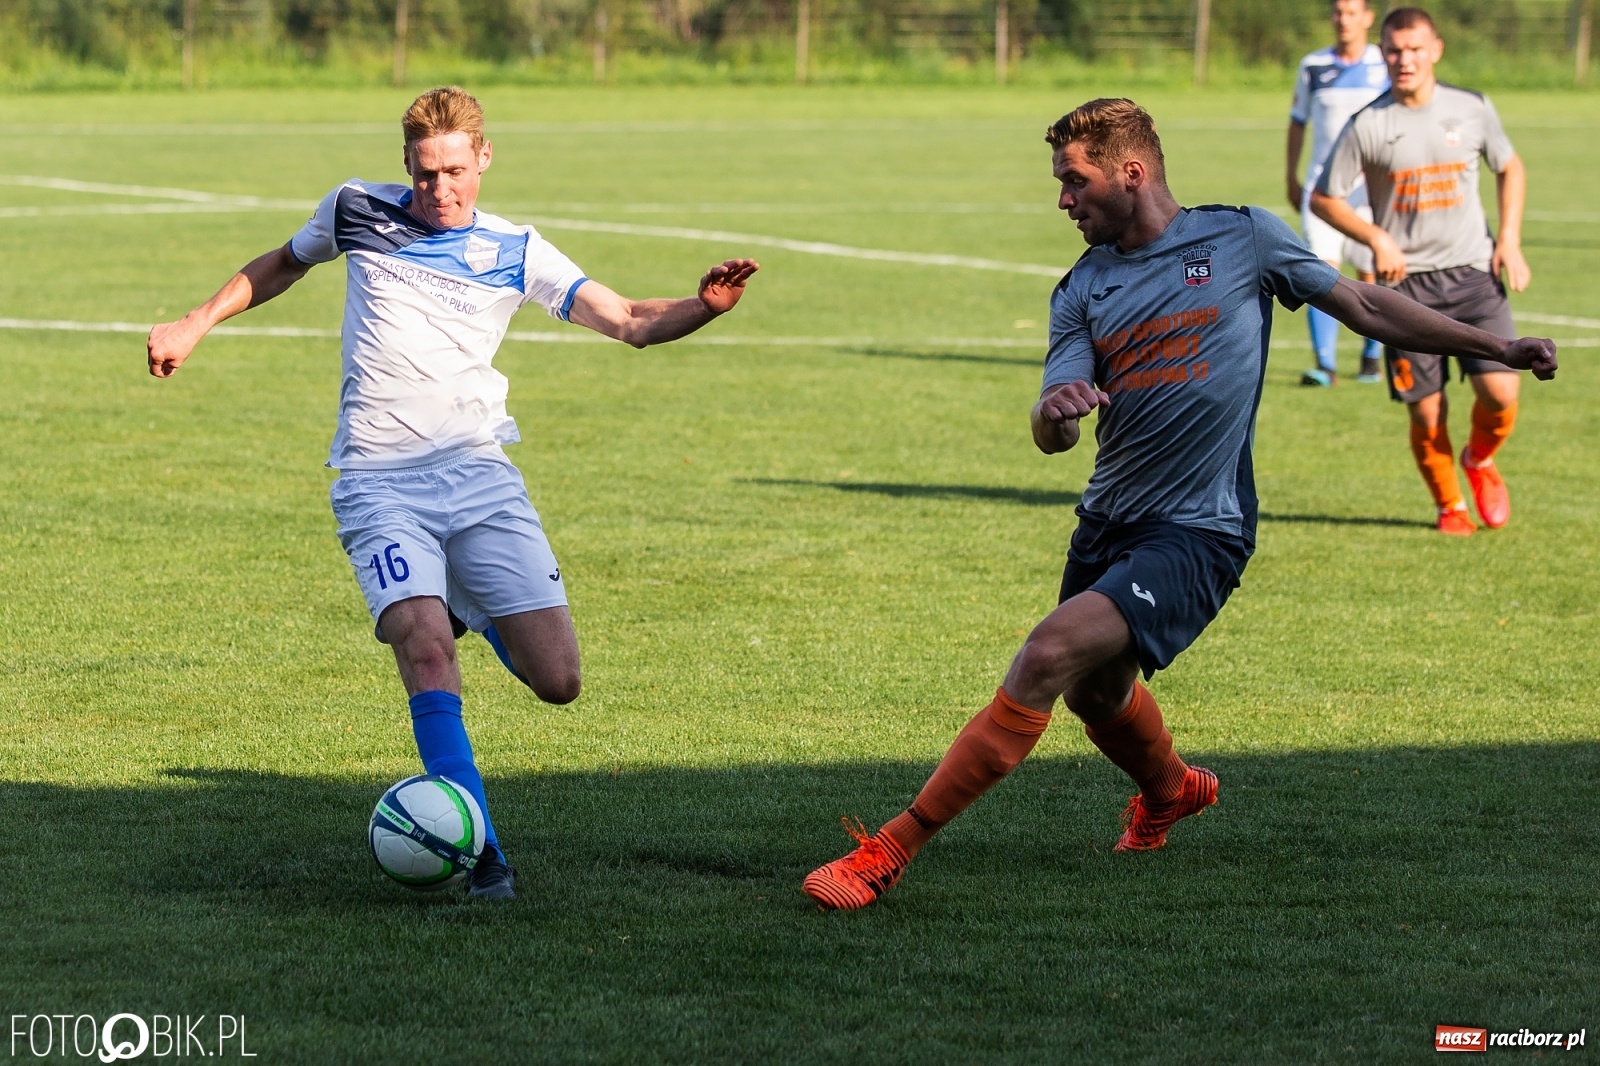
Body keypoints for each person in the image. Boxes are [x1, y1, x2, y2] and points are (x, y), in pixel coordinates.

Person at [801, 97, 1555, 911]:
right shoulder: (1083, 288)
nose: (1063, 200)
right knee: (1096, 693)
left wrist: (1497, 346)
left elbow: (1367, 305)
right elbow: (1051, 418)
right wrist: (1052, 415)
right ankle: (1170, 791)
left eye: (1073, 181)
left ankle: (887, 851)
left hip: (1201, 527)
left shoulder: (1243, 238)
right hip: (1109, 519)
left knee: (1048, 655)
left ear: (1131, 171)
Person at [147, 87, 759, 900]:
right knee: (425, 648)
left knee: (559, 679)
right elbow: (282, 264)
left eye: (457, 172)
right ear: (406, 164)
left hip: (478, 477)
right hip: (377, 480)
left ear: (485, 160)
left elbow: (629, 319)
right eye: (428, 173)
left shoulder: (519, 250)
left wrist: (703, 307)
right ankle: (483, 854)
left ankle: (463, 606)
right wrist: (194, 322)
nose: (442, 190)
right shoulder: (356, 208)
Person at [1312, 7, 1530, 535]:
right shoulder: (1368, 123)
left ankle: (1478, 459)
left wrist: (1512, 240)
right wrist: (1375, 236)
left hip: (1474, 273)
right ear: (1382, 52)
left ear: (1436, 49)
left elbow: (1510, 166)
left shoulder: (1471, 107)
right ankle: (1450, 505)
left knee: (1502, 395)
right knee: (1426, 414)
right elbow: (1323, 198)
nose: (1404, 60)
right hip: (1406, 290)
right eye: (1393, 50)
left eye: (1414, 49)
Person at [1286, 0, 1390, 386]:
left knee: (1370, 270)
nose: (1344, 19)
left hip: (1370, 192)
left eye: (1352, 12)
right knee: (1322, 272)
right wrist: (1291, 176)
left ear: (1367, 18)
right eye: (1338, 12)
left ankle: (1371, 356)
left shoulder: (1386, 64)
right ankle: (1325, 365)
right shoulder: (1313, 66)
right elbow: (1297, 123)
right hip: (1322, 191)